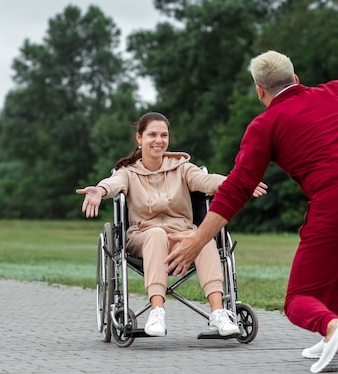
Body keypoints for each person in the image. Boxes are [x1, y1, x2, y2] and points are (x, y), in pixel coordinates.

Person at [164, 25, 338, 372]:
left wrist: (199, 239)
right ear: (296, 78)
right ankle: (335, 339)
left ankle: (333, 329)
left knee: (298, 301)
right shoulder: (333, 92)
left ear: (261, 91)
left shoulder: (264, 125)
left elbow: (237, 188)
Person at [76, 112, 267, 338]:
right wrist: (100, 190)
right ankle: (157, 311)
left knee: (201, 237)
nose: (159, 140)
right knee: (156, 233)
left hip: (181, 237)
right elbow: (114, 183)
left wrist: (239, 183)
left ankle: (219, 313)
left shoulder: (182, 167)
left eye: (163, 135)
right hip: (143, 237)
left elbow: (206, 181)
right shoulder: (128, 173)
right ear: (139, 138)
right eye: (152, 135)